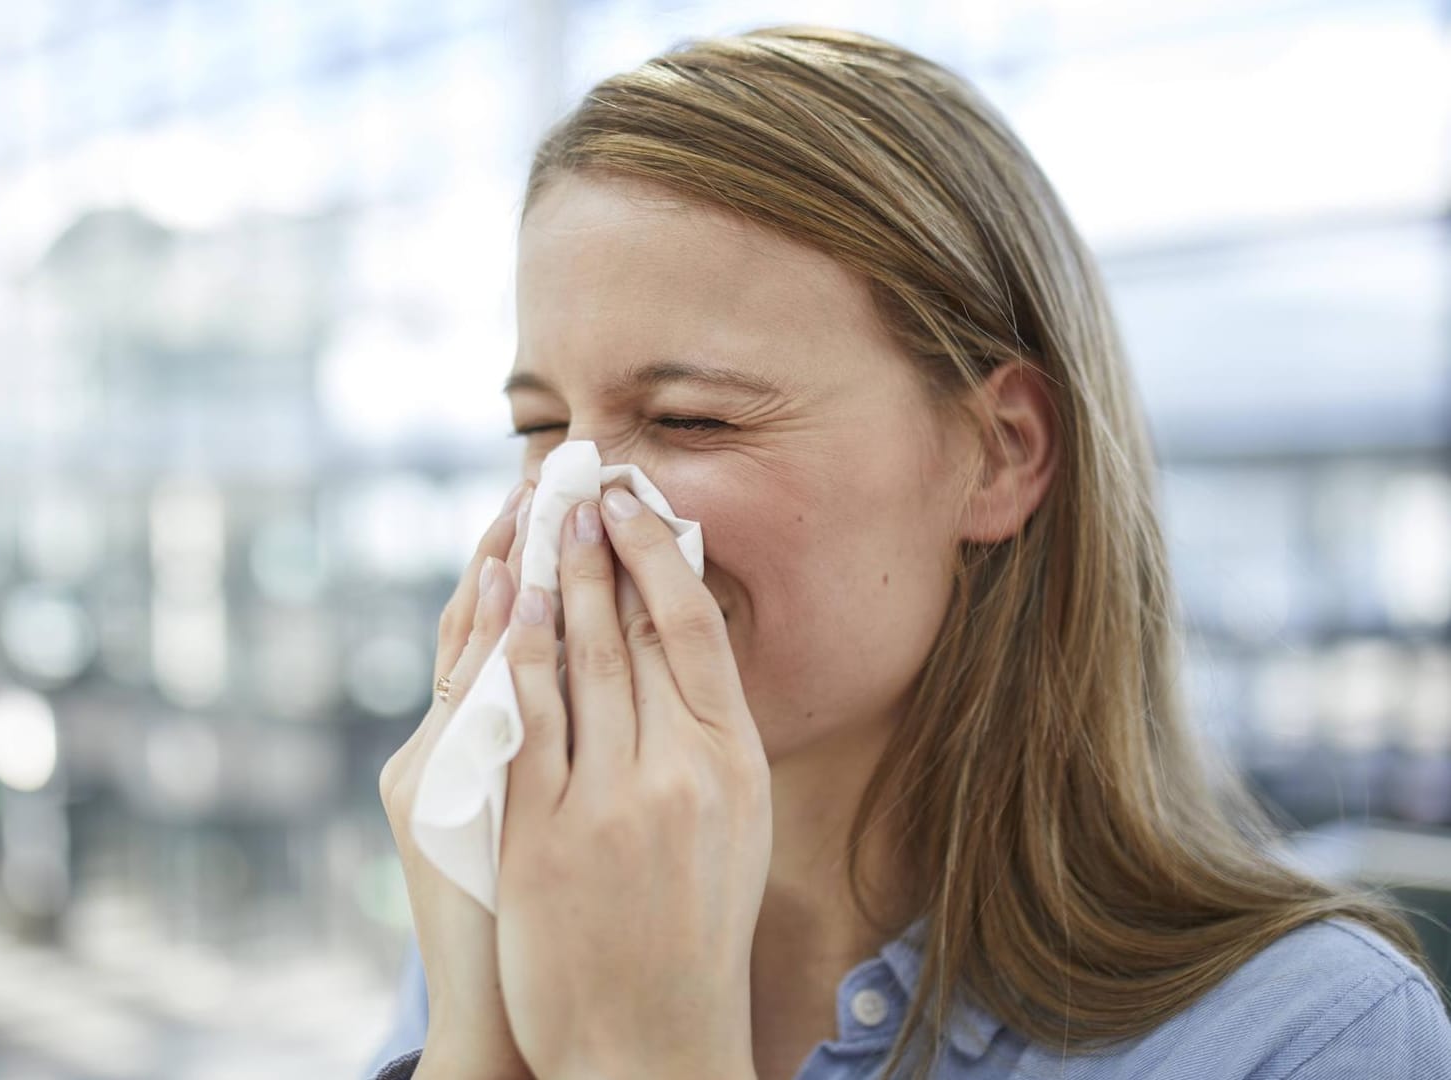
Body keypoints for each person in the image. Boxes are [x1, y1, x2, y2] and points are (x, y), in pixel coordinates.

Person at [367, 24, 1451, 1080]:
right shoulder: (530, 905)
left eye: (694, 419)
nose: (573, 512)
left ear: (997, 455)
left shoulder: (1311, 1037)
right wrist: (475, 1045)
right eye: (540, 430)